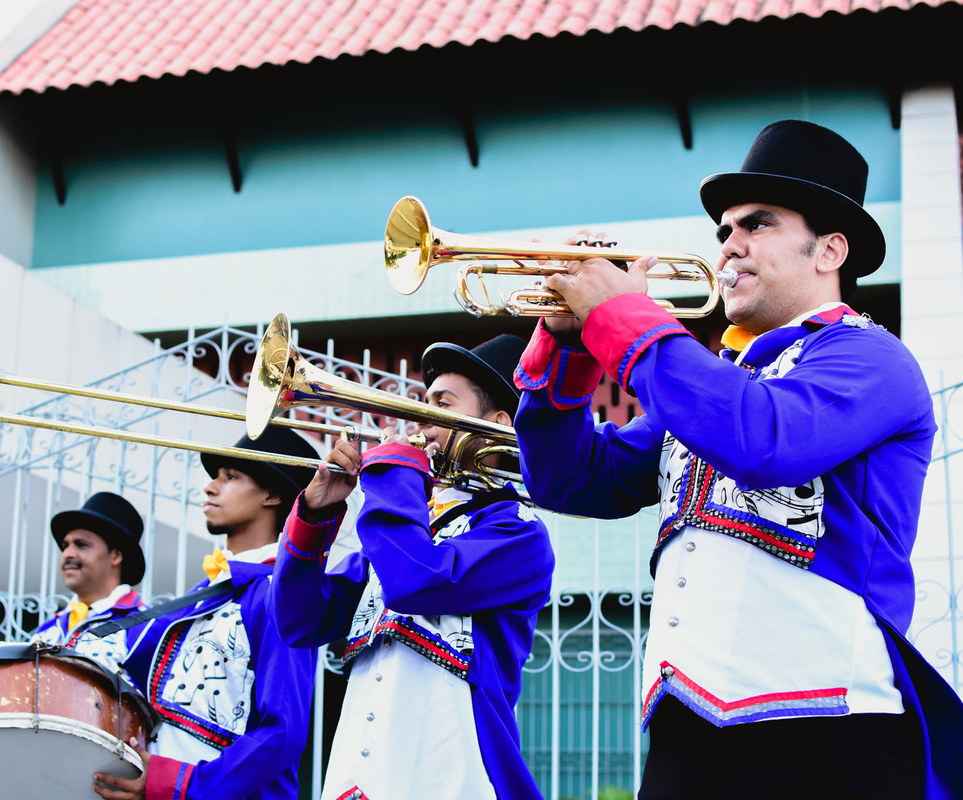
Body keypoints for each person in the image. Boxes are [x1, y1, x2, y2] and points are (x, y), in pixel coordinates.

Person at [512, 119, 963, 799]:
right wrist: (569, 347)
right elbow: (573, 481)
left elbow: (764, 440)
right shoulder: (717, 382)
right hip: (686, 733)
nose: (729, 245)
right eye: (725, 230)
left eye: (758, 223)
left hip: (828, 730)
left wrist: (623, 317)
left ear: (830, 250)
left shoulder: (872, 358)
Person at [271, 335, 554, 800]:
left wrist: (393, 474)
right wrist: (314, 516)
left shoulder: (519, 534)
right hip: (355, 780)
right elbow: (299, 621)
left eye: (442, 405)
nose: (421, 419)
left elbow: (415, 582)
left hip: (452, 777)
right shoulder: (405, 533)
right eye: (425, 404)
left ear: (496, 425)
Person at [94, 426, 321, 800]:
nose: (210, 488)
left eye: (230, 477)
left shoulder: (280, 593)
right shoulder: (202, 594)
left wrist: (181, 784)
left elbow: (282, 734)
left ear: (272, 495)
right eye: (216, 477)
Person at [32, 490, 149, 673]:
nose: (67, 554)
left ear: (116, 556)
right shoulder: (46, 630)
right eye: (65, 546)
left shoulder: (145, 629)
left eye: (81, 545)